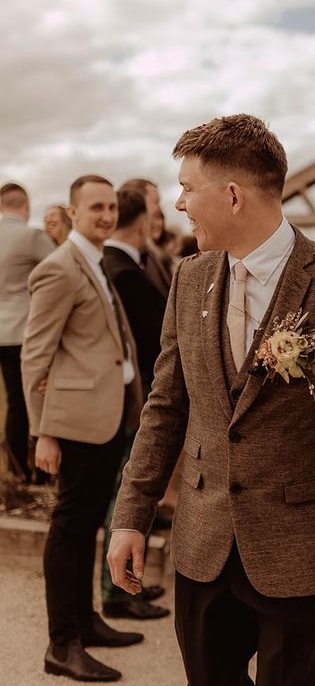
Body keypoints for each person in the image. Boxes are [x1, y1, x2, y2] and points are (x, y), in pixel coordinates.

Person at [107, 114, 315, 686]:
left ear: (233, 195)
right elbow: (165, 407)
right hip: (202, 541)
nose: (178, 205)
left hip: (300, 548)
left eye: (188, 189)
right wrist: (130, 518)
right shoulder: (188, 279)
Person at [22, 175, 144, 682]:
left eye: (111, 206)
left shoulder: (92, 261)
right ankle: (61, 644)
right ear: (73, 212)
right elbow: (36, 354)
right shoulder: (59, 268)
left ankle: (87, 622)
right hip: (73, 426)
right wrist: (42, 432)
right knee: (69, 531)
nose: (106, 215)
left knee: (90, 524)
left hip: (106, 419)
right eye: (95, 207)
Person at [100, 188, 170, 621]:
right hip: (133, 397)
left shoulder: (135, 263)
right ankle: (118, 593)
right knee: (122, 497)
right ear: (143, 221)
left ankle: (129, 586)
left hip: (139, 395)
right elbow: (150, 338)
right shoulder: (121, 269)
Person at [0, 183, 55, 482]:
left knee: (13, 400)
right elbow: (60, 269)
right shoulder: (30, 236)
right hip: (24, 331)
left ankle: (16, 469)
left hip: (0, 332)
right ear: (26, 206)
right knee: (34, 399)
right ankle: (40, 472)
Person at [118, 179, 173, 298]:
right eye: (156, 202)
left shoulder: (151, 249)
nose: (159, 208)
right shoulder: (132, 253)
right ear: (138, 202)